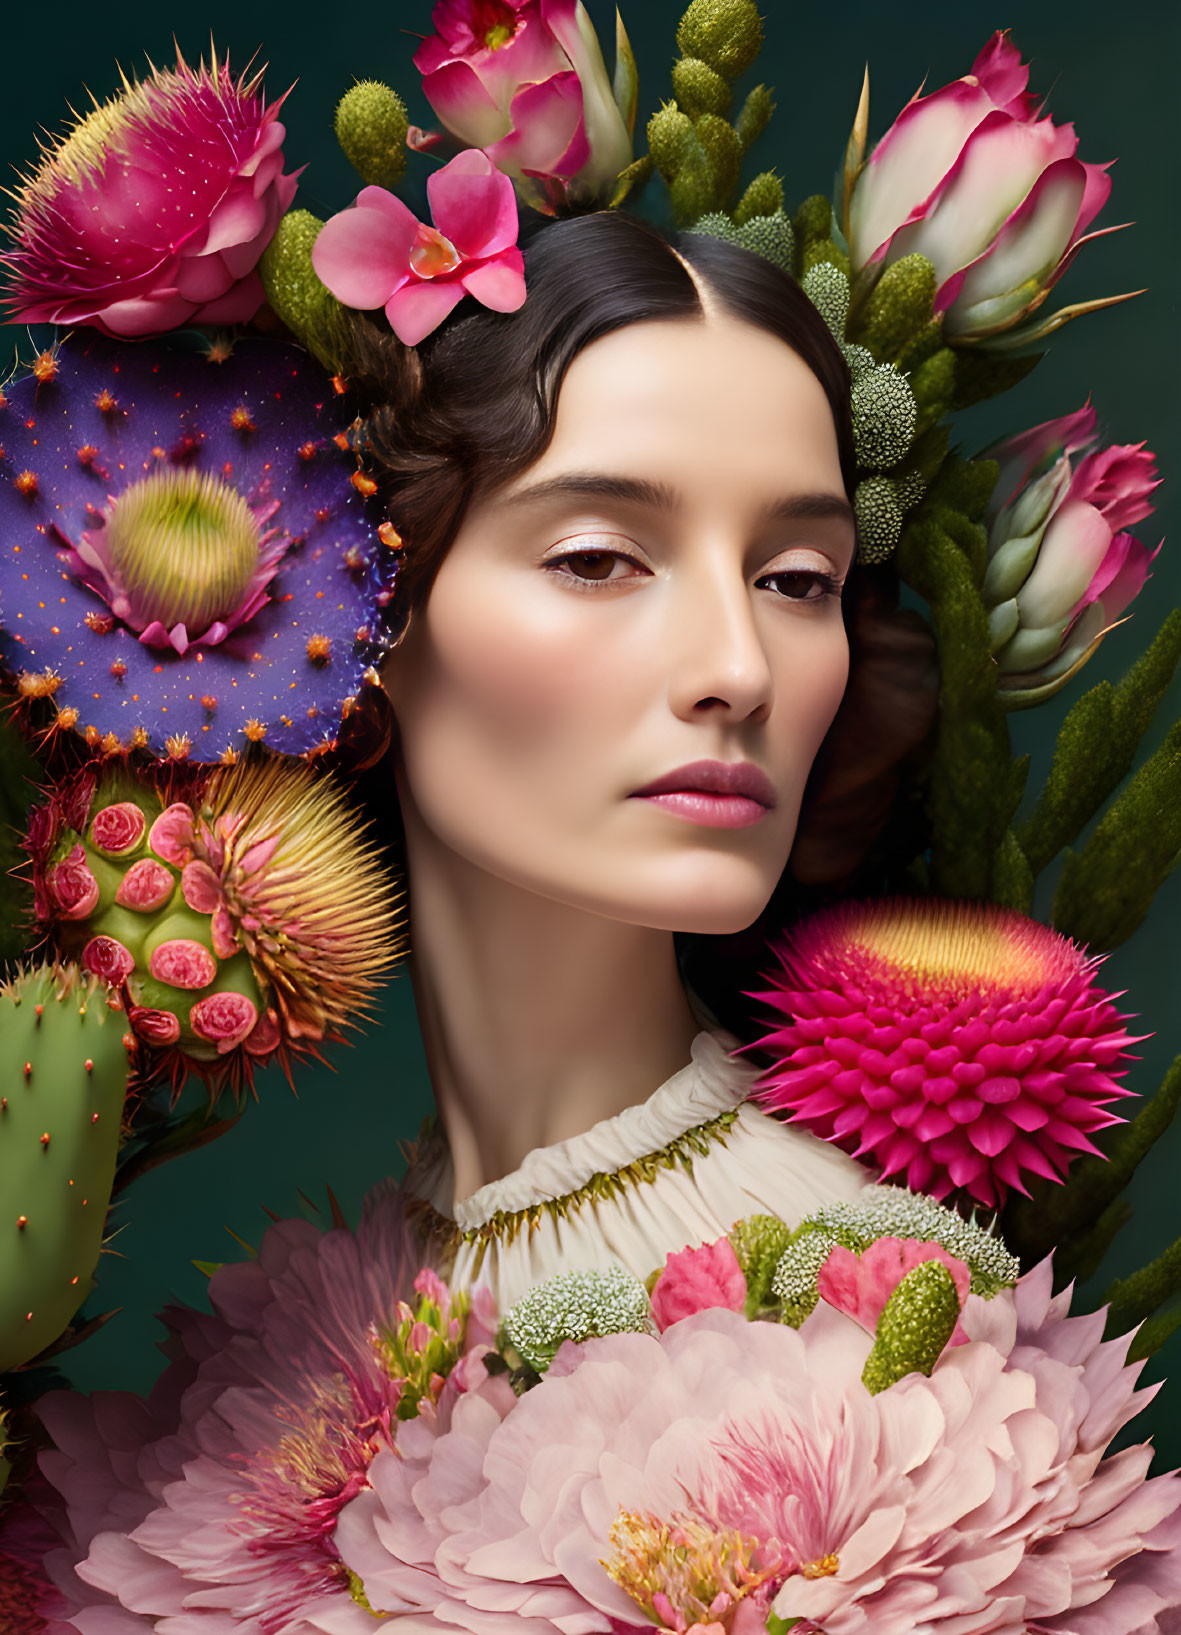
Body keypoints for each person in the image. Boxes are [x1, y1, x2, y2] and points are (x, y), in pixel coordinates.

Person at [340, 211, 904, 1307]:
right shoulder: (356, 1291)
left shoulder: (849, 1302)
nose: (740, 672)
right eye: (598, 559)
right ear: (364, 611)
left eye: (795, 579)